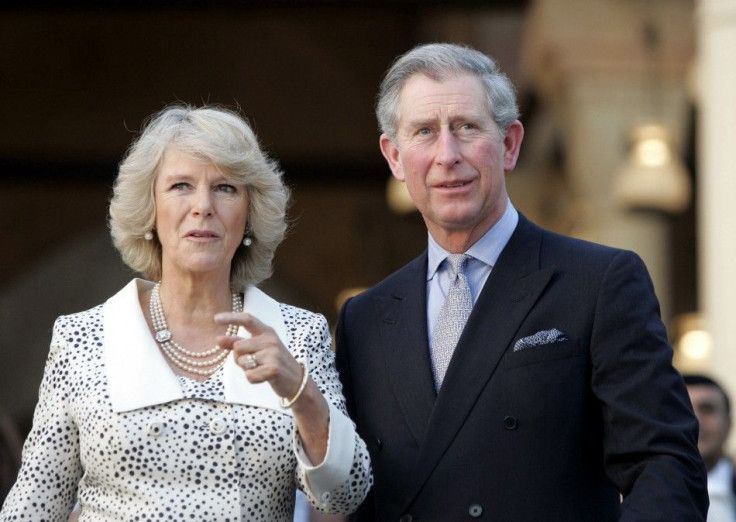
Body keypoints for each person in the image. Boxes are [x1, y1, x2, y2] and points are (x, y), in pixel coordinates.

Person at [335, 42, 708, 521]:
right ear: (394, 157)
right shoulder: (365, 318)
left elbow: (665, 463)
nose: (447, 154)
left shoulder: (599, 282)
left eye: (467, 128)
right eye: (424, 132)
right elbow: (352, 493)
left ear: (509, 144)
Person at [0, 104, 372, 521]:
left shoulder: (297, 335)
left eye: (226, 188)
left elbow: (346, 495)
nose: (203, 206)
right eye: (180, 186)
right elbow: (32, 507)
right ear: (150, 211)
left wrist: (301, 393)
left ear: (249, 215)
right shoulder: (83, 338)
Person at [685, 374, 736, 521]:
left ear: (728, 425)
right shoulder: (631, 496)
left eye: (707, 409)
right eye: (684, 409)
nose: (695, 420)